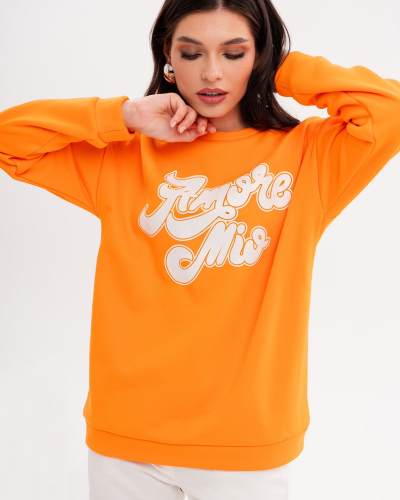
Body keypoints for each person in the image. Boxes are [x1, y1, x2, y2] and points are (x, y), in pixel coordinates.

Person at [1, 0, 399, 499]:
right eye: (192, 53)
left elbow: (388, 111)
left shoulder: (308, 156)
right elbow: (10, 141)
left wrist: (281, 69)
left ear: (259, 55)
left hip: (245, 447)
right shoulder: (124, 157)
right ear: (168, 55)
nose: (212, 72)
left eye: (234, 53)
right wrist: (123, 115)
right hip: (125, 442)